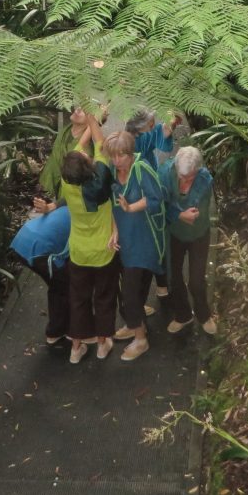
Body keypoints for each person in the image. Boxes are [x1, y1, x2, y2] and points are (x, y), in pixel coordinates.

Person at [50, 113, 119, 363]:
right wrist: (93, 117)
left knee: (78, 300)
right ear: (88, 164)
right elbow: (99, 144)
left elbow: (80, 147)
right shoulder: (99, 179)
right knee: (104, 298)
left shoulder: (68, 184)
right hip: (103, 251)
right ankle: (102, 345)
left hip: (78, 253)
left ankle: (76, 349)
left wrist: (92, 119)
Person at [105, 130, 164, 361]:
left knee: (129, 293)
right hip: (126, 239)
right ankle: (135, 324)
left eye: (121, 155)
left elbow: (155, 198)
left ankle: (141, 340)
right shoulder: (113, 171)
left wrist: (131, 208)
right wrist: (115, 230)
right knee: (133, 291)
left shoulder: (141, 170)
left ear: (131, 154)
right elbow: (114, 203)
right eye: (113, 156)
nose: (117, 160)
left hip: (143, 240)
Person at [125, 108, 182, 304]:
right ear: (139, 130)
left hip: (147, 187)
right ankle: (157, 286)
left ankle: (161, 285)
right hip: (143, 190)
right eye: (150, 124)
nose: (154, 125)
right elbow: (162, 136)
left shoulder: (139, 136)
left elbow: (162, 133)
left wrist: (171, 125)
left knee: (156, 235)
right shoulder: (134, 143)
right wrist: (168, 126)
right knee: (156, 236)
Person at [159, 146, 216, 335]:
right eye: (181, 176)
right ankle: (183, 315)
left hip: (198, 233)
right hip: (174, 232)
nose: (184, 181)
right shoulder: (165, 173)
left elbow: (198, 213)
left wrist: (182, 213)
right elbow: (158, 203)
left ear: (198, 171)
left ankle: (204, 315)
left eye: (189, 177)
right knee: (173, 277)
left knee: (197, 281)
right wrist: (178, 214)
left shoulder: (204, 180)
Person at [8, 206, 71, 344]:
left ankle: (59, 328)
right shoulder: (85, 218)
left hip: (22, 241)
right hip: (39, 249)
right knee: (64, 287)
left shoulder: (67, 205)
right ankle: (57, 332)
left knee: (57, 284)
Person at [39, 106, 97, 201]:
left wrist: (97, 120)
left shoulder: (85, 150)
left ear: (90, 121)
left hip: (66, 198)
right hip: (49, 186)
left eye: (84, 111)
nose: (78, 109)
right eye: (80, 106)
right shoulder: (69, 129)